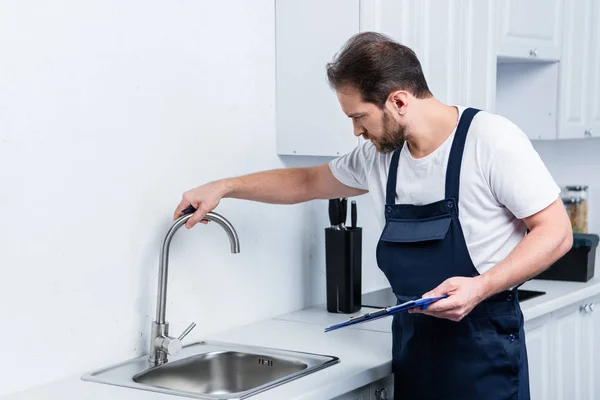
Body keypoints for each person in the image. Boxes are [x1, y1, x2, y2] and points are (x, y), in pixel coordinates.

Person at [174, 32, 572, 399]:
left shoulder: (490, 140)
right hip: (414, 348)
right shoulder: (381, 156)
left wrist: (480, 287)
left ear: (398, 101)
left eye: (358, 117)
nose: (355, 131)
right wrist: (224, 187)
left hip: (483, 348)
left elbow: (556, 232)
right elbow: (306, 183)